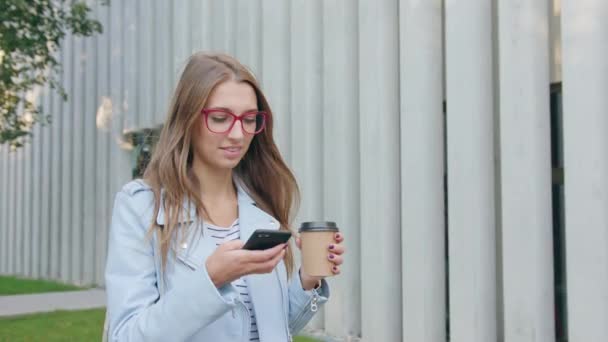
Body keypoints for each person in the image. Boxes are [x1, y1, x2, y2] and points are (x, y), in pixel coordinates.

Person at [104, 52, 345, 341]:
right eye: (220, 118)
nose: (237, 134)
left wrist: (308, 279)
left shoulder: (261, 210)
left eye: (248, 119)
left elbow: (270, 330)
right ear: (188, 119)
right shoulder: (141, 207)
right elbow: (126, 336)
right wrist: (211, 280)